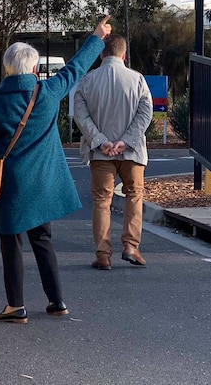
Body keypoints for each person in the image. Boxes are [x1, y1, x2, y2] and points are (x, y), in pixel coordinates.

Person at [0, 16, 112, 324]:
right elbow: (76, 67)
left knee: (11, 241)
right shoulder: (48, 92)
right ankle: (57, 301)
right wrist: (97, 36)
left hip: (10, 183)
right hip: (43, 182)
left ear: (8, 68)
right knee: (43, 239)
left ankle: (16, 306)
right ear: (35, 69)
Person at [73, 34, 153, 271]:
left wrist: (100, 141)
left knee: (101, 201)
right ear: (124, 54)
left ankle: (103, 254)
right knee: (134, 196)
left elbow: (81, 115)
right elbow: (145, 114)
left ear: (101, 54)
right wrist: (126, 141)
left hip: (100, 153)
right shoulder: (137, 79)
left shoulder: (87, 81)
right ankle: (130, 245)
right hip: (132, 152)